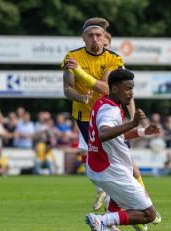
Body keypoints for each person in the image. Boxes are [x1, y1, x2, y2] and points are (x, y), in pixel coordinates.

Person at [60, 18, 142, 212]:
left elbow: (106, 88)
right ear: (83, 38)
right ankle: (118, 204)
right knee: (103, 161)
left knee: (124, 159)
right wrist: (81, 97)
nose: (95, 39)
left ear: (105, 37)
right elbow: (66, 90)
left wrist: (79, 72)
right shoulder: (71, 56)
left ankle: (139, 198)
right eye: (90, 35)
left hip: (110, 114)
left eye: (98, 35)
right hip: (86, 118)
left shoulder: (114, 59)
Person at [85, 68, 161, 231]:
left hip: (100, 166)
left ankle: (108, 226)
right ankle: (102, 220)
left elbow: (116, 135)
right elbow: (104, 134)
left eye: (132, 88)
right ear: (114, 88)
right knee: (149, 214)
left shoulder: (103, 103)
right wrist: (132, 124)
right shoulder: (109, 110)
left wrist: (142, 132)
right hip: (110, 169)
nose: (131, 93)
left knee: (117, 196)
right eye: (127, 88)